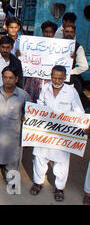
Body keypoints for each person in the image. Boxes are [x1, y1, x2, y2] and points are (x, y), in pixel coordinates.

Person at [30, 65, 85, 202]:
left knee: (61, 162)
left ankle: (59, 188)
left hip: (61, 135)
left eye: (60, 78)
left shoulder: (71, 92)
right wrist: (30, 116)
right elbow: (39, 106)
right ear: (51, 75)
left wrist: (83, 125)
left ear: (65, 77)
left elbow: (79, 112)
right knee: (40, 157)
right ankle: (38, 182)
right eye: (54, 77)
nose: (57, 80)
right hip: (45, 132)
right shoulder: (45, 89)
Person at [0, 66, 32, 190]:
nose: (7, 80)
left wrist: (27, 117)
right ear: (2, 78)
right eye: (5, 77)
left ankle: (12, 179)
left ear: (16, 79)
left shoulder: (24, 95)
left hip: (14, 134)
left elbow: (30, 113)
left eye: (10, 78)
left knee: (13, 159)